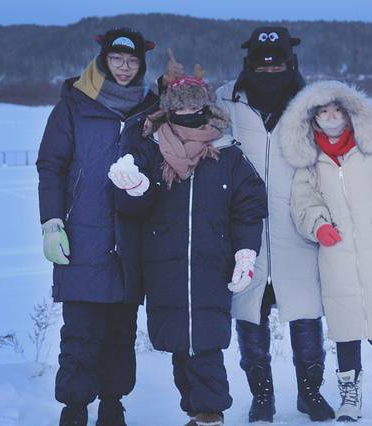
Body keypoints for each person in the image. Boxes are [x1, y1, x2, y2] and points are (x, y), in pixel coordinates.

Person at [108, 66, 268, 426]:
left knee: (204, 341)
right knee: (180, 343)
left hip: (212, 263)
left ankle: (210, 413)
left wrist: (246, 252)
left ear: (206, 108)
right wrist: (134, 189)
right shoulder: (150, 149)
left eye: (194, 107)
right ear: (169, 109)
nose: (187, 114)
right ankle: (196, 410)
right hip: (163, 265)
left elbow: (249, 206)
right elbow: (130, 210)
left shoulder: (227, 152)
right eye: (180, 108)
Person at [277, 80, 372, 422]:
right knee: (346, 330)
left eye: (337, 110)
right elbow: (304, 203)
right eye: (323, 111)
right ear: (313, 119)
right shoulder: (310, 162)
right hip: (338, 255)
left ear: (349, 114)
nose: (331, 116)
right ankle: (350, 396)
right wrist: (319, 225)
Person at [212, 27, 337, 422]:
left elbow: (340, 138)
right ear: (248, 62)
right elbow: (199, 133)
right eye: (262, 65)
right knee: (250, 312)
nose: (269, 71)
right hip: (243, 229)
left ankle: (310, 393)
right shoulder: (226, 99)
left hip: (297, 226)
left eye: (277, 65)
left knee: (305, 312)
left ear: (290, 62)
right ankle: (261, 396)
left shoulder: (311, 102)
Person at [36, 28, 159, 426]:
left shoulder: (152, 109)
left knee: (121, 333)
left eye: (132, 61)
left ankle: (112, 404)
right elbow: (51, 165)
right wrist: (51, 221)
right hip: (83, 237)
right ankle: (74, 408)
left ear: (142, 65)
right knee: (80, 333)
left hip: (131, 239)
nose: (124, 68)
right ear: (104, 60)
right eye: (117, 59)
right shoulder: (74, 105)